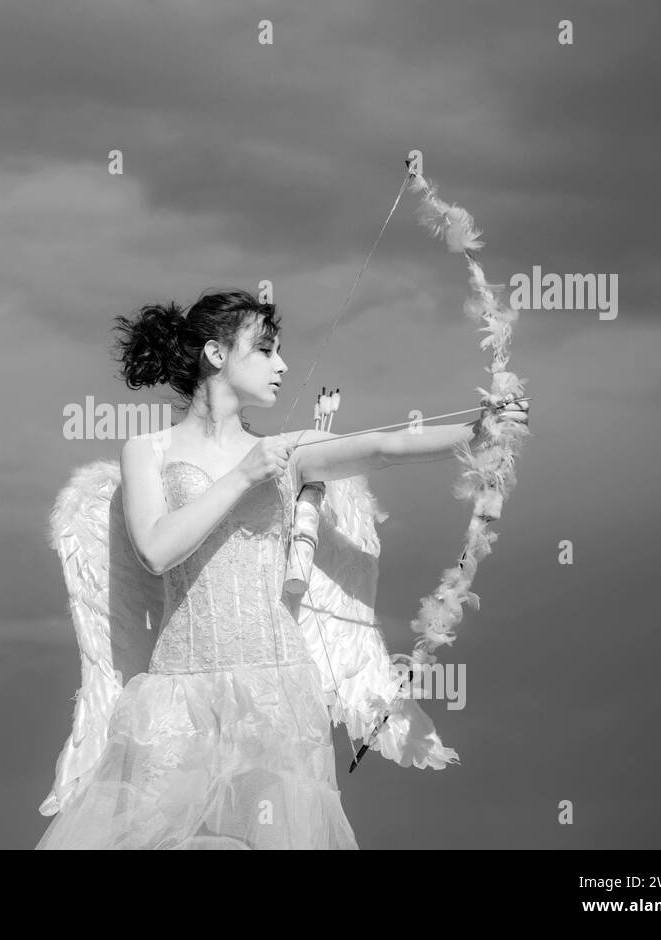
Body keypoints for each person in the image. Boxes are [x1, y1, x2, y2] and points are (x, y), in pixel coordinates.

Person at [34, 288, 528, 849]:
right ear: (217, 355)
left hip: (274, 694)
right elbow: (155, 550)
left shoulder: (287, 450)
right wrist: (244, 475)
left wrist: (479, 432)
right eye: (265, 349)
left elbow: (385, 446)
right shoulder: (148, 449)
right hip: (178, 692)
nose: (282, 364)